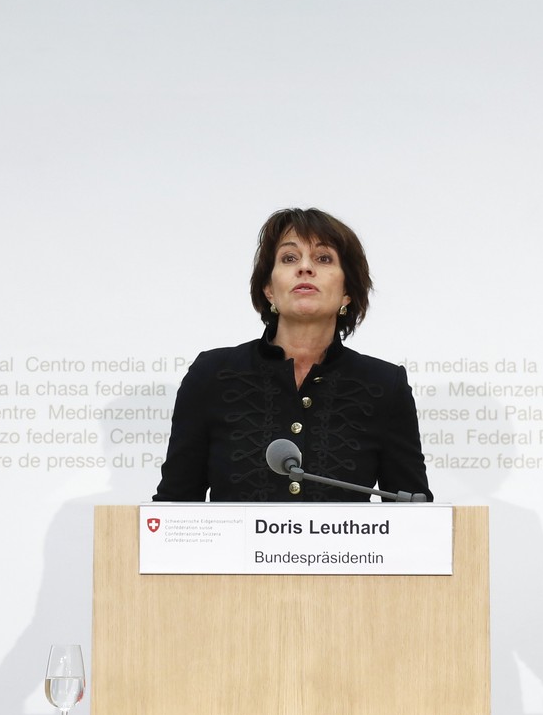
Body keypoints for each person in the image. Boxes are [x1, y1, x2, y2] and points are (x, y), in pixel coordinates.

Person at [153, 207, 433, 502]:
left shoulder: (385, 385)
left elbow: (413, 512)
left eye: (323, 258)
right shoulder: (212, 374)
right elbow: (175, 505)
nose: (305, 268)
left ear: (347, 292)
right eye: (289, 258)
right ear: (269, 290)